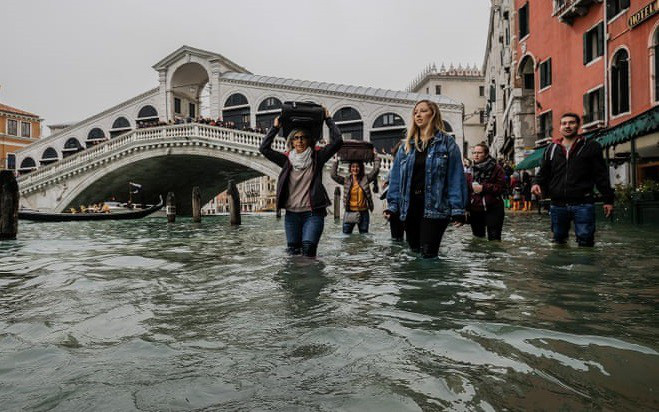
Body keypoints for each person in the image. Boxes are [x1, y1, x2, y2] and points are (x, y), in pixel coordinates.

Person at [384, 100, 468, 258]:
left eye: (423, 111)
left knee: (428, 254)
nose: (418, 115)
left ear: (433, 114)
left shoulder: (447, 143)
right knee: (414, 252)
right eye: (415, 112)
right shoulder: (406, 147)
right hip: (410, 207)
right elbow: (395, 179)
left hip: (435, 208)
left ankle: (433, 282)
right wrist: (393, 206)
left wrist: (458, 209)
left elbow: (455, 177)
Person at [259, 107, 343, 257]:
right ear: (291, 141)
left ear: (309, 140)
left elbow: (338, 141)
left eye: (303, 137)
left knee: (309, 250)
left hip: (313, 214)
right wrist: (275, 128)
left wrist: (328, 120)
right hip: (291, 215)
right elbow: (264, 148)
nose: (300, 141)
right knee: (293, 254)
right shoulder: (286, 160)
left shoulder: (317, 157)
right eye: (296, 138)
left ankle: (312, 279)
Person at [531, 112, 614, 246]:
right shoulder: (551, 149)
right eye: (564, 123)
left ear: (578, 126)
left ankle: (583, 267)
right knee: (558, 242)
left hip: (583, 203)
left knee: (586, 242)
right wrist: (535, 183)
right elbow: (543, 173)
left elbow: (601, 175)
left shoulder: (591, 146)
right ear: (559, 128)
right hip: (557, 204)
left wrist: (608, 200)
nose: (567, 126)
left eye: (571, 123)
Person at [331, 153, 381, 234]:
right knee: (346, 238)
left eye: (357, 167)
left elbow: (376, 170)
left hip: (364, 213)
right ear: (350, 169)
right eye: (353, 167)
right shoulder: (346, 180)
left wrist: (376, 156)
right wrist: (336, 161)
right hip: (349, 212)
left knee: (364, 238)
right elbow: (333, 175)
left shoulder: (365, 179)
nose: (355, 168)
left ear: (360, 168)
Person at [466, 143, 506, 241]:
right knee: (477, 239)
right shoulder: (469, 170)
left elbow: (501, 188)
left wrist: (483, 188)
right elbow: (466, 190)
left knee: (494, 239)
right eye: (474, 153)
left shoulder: (497, 169)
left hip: (494, 207)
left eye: (479, 153)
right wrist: (465, 208)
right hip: (475, 208)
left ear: (486, 154)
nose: (476, 155)